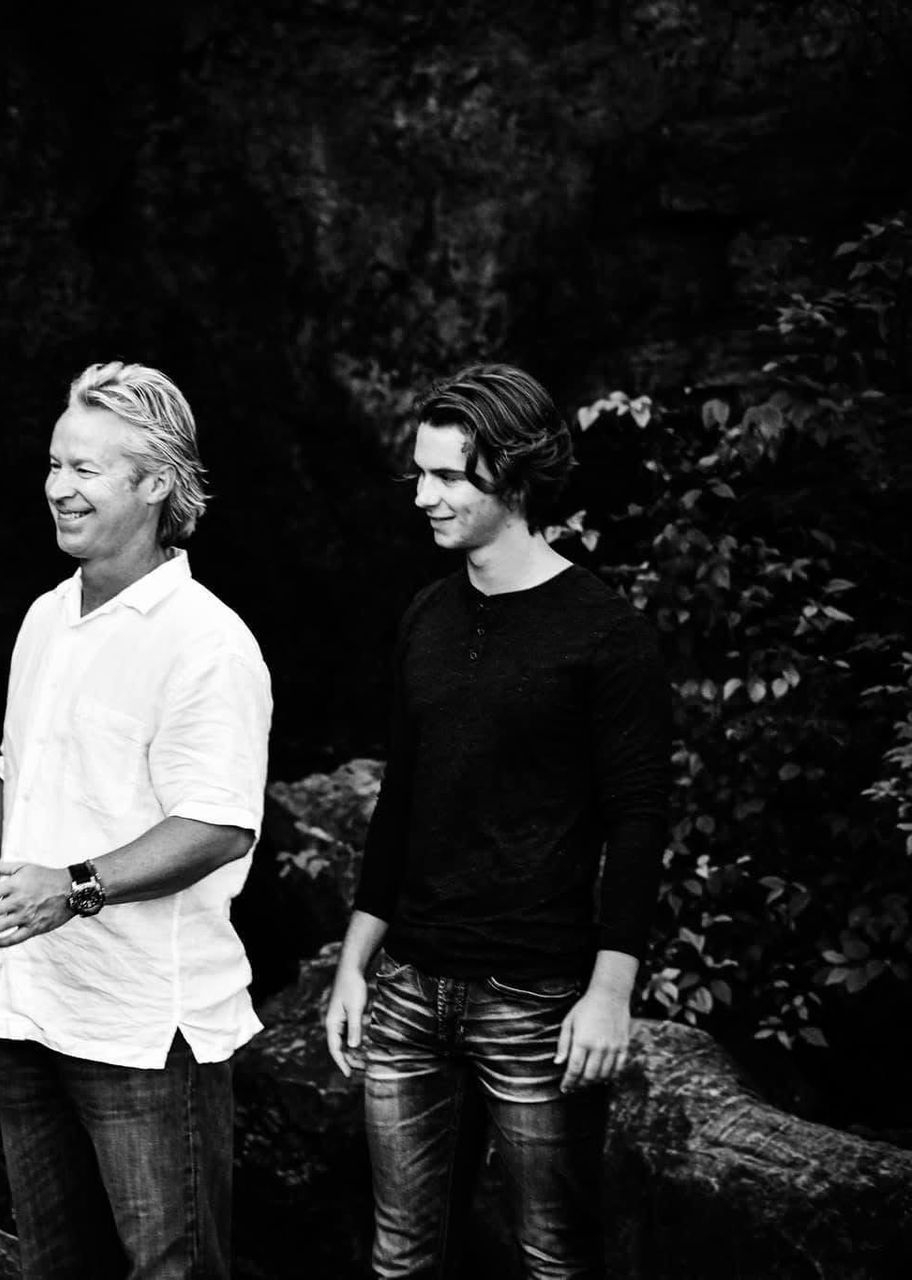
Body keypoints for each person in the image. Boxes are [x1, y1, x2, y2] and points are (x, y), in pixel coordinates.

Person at [0, 362, 273, 1279]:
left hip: (145, 1027)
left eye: (86, 471)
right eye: (55, 464)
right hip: (32, 1008)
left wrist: (72, 888)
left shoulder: (207, 641)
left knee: (170, 1270)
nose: (58, 489)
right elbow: (17, 776)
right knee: (55, 1266)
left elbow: (220, 825)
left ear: (156, 485)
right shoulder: (44, 617)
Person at [322, 364, 672, 1278]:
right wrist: (355, 963)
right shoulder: (427, 616)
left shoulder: (606, 633)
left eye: (447, 477)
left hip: (535, 996)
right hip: (406, 989)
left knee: (552, 1258)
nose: (424, 498)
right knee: (399, 1257)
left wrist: (610, 989)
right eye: (419, 476)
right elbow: (403, 798)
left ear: (512, 475)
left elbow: (639, 821)